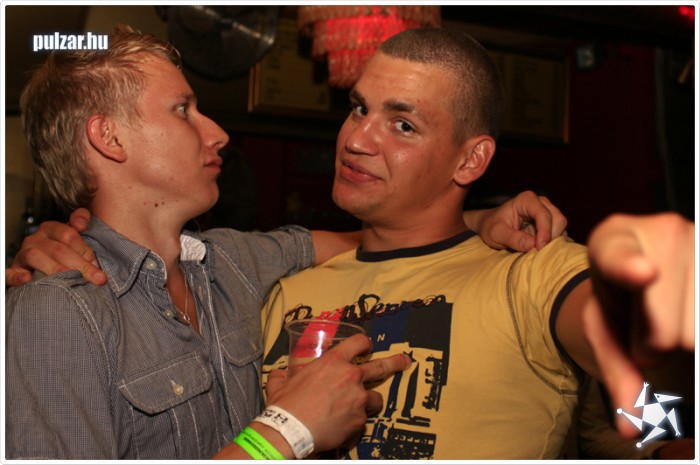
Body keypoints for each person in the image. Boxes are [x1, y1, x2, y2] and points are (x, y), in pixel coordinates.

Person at [4, 24, 568, 460]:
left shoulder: (232, 264)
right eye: (183, 111)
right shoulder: (57, 309)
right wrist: (288, 428)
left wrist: (477, 219)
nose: (217, 133)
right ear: (109, 137)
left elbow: (380, 235)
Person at [255, 29, 696, 459]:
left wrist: (665, 442)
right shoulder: (286, 292)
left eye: (403, 125)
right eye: (359, 109)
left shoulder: (530, 271)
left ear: (470, 160)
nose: (355, 140)